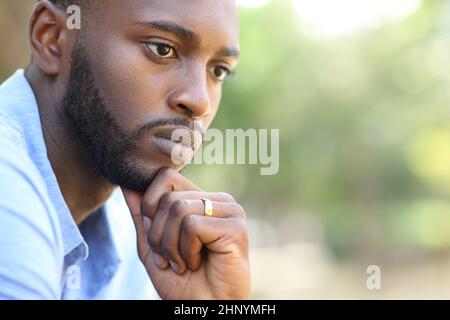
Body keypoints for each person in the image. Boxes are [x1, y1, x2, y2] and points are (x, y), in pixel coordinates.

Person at [0, 0, 250, 300]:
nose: (199, 102)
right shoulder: (7, 186)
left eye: (218, 71)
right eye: (162, 49)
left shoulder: (137, 231)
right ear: (52, 38)